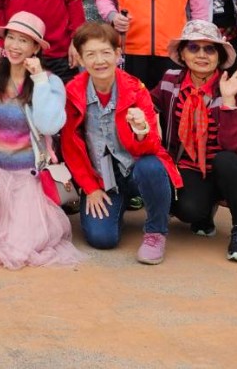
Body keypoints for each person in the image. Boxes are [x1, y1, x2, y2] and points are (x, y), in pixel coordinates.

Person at [0, 12, 84, 269]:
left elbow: (50, 125)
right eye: (11, 37)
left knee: (22, 242)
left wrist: (39, 81)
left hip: (30, 177)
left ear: (35, 48)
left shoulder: (51, 82)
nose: (15, 46)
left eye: (24, 40)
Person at [60, 21, 181, 264]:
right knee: (102, 238)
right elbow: (70, 147)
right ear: (80, 59)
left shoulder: (136, 89)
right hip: (102, 178)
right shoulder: (72, 93)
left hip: (135, 169)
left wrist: (140, 130)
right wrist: (90, 188)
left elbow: (151, 148)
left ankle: (156, 231)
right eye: (90, 54)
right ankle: (120, 203)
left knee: (151, 166)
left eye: (106, 52)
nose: (99, 61)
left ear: (118, 54)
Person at [151, 20, 237, 264]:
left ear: (219, 56)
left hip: (228, 167)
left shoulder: (233, 89)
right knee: (188, 211)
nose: (202, 55)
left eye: (210, 49)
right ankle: (204, 211)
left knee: (227, 160)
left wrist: (228, 101)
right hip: (190, 165)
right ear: (182, 54)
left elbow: (234, 144)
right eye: (193, 48)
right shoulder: (170, 81)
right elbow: (146, 103)